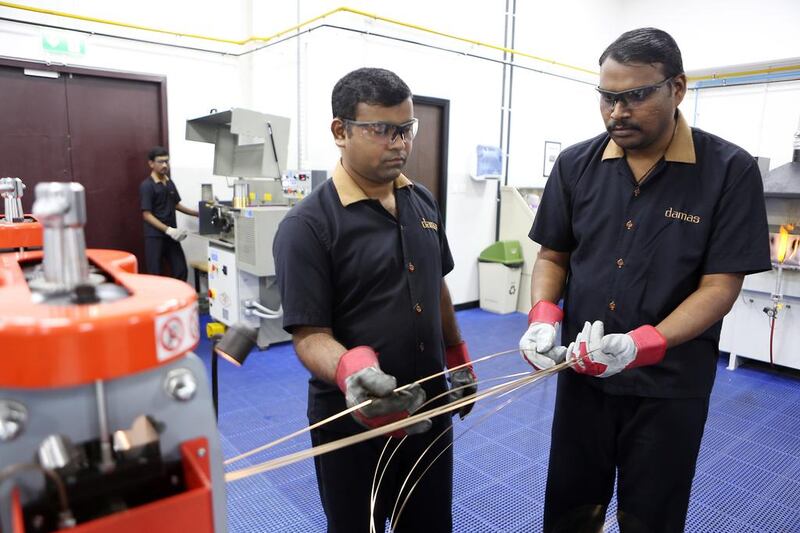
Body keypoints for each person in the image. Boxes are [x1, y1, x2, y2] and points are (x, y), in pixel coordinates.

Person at [518, 28, 770, 533]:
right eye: (608, 98)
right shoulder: (575, 165)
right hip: (582, 375)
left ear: (677, 88)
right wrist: (544, 315)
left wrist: (646, 342)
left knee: (651, 514)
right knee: (570, 505)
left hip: (669, 386)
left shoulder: (729, 171)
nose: (617, 112)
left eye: (634, 96)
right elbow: (552, 255)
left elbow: (720, 286)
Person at [273, 67, 476, 533]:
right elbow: (309, 335)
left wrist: (457, 356)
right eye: (381, 130)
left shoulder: (421, 201)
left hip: (427, 405)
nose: (399, 143)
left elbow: (435, 285)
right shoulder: (307, 226)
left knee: (428, 523)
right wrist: (352, 371)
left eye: (406, 129)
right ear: (340, 131)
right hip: (351, 421)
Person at [139, 146, 198, 281]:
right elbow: (146, 214)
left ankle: (178, 300)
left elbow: (175, 204)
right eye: (160, 162)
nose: (165, 165)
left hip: (172, 236)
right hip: (155, 237)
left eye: (166, 161)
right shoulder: (147, 186)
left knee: (181, 269)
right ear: (151, 164)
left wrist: (196, 214)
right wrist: (168, 230)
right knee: (155, 274)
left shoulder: (169, 182)